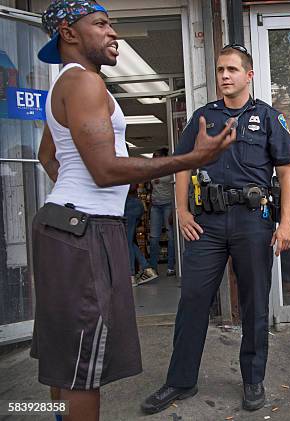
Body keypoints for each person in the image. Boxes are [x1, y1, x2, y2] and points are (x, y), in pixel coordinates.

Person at [33, 1, 236, 420]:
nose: (114, 34)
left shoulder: (69, 84)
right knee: (82, 367)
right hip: (81, 230)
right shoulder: (85, 84)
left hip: (70, 223)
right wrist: (190, 159)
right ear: (69, 33)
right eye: (102, 25)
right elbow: (106, 169)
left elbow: (47, 156)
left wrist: (75, 196)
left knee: (70, 356)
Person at [141, 44, 290, 415]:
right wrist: (181, 210)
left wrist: (286, 222)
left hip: (252, 221)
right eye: (219, 69)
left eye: (231, 69)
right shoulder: (203, 117)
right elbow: (181, 165)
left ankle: (252, 379)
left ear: (249, 75)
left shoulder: (268, 117)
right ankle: (180, 381)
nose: (224, 76)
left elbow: (287, 170)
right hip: (207, 223)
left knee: (255, 302)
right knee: (193, 300)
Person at [146, 147, 177, 279]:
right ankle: (153, 268)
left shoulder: (170, 170)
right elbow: (151, 189)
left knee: (171, 237)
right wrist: (150, 206)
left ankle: (170, 267)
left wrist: (173, 211)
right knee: (154, 239)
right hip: (156, 207)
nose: (155, 158)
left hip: (168, 205)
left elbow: (175, 189)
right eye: (154, 156)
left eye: (157, 156)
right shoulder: (153, 171)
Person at [124, 183, 157, 286]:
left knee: (127, 242)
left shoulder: (124, 172)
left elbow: (132, 187)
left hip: (128, 206)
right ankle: (147, 269)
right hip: (135, 205)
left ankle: (132, 275)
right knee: (130, 240)